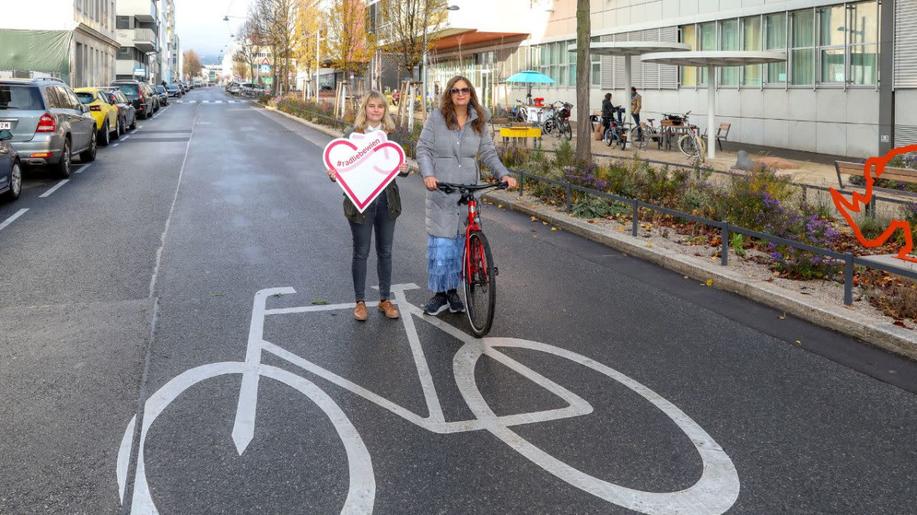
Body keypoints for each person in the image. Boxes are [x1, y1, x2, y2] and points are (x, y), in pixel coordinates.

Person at [416, 75, 517, 316]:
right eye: (455, 90)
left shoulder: (479, 120)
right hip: (442, 187)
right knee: (442, 244)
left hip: (468, 190)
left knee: (463, 241)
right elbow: (423, 149)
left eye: (465, 90)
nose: (460, 94)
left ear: (471, 93)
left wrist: (504, 174)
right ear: (449, 94)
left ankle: (455, 292)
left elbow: (489, 153)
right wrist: (428, 175)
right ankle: (442, 294)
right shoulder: (436, 118)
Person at [326, 90, 409, 321]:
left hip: (386, 201)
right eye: (371, 106)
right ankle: (360, 302)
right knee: (361, 252)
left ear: (385, 110)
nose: (375, 110)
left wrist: (406, 170)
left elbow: (401, 167)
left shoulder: (391, 136)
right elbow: (341, 166)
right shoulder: (353, 134)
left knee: (386, 252)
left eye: (380, 106)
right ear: (365, 109)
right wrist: (334, 174)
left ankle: (385, 300)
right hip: (360, 202)